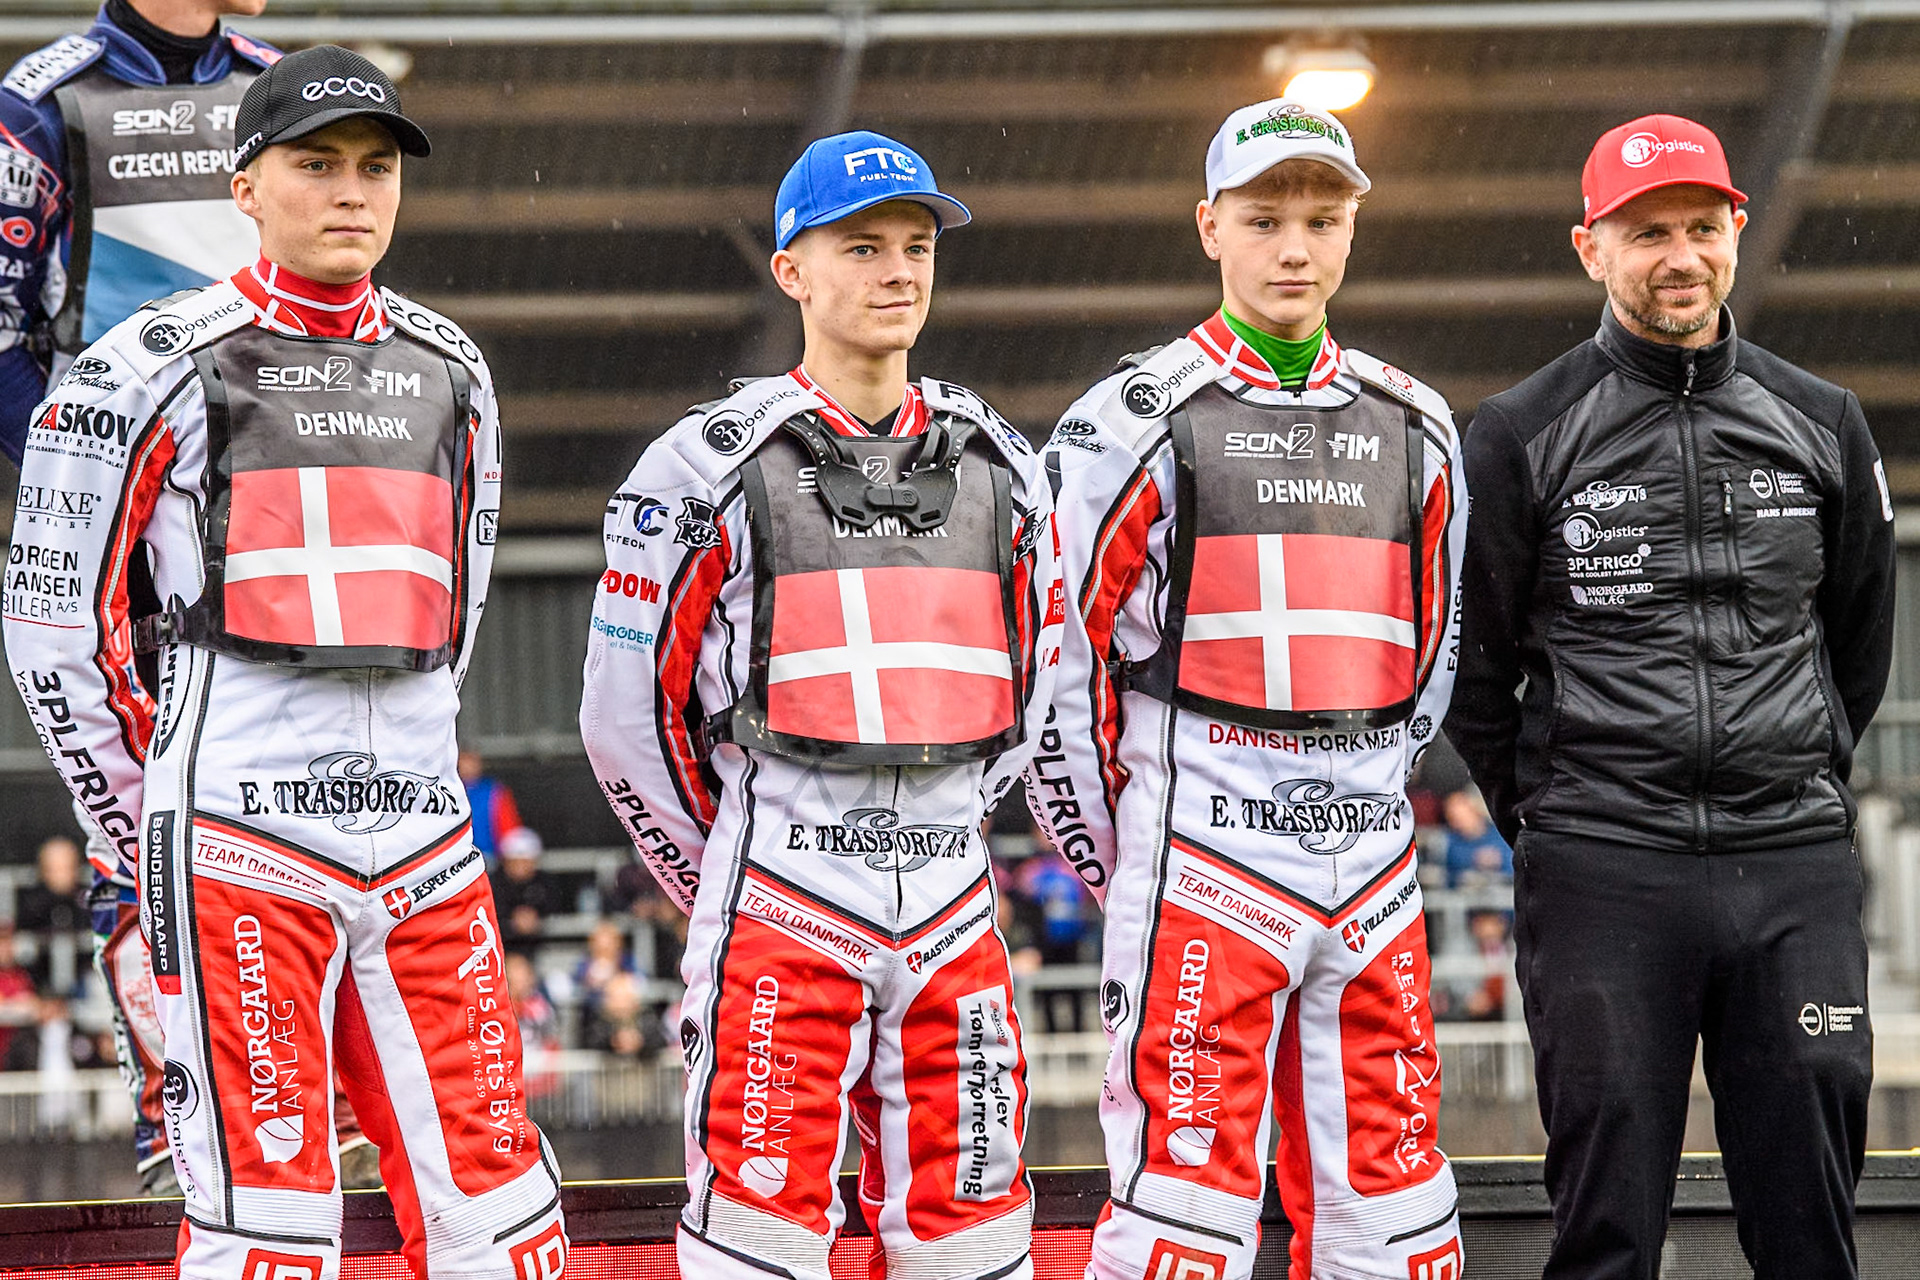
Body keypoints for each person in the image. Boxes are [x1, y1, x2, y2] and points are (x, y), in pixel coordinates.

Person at [3, 46, 567, 1280]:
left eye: (375, 166)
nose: (352, 190)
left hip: (424, 849)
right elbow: (53, 628)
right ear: (245, 186)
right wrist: (142, 817)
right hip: (234, 845)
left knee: (505, 1221)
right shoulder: (139, 363)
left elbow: (457, 614)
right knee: (267, 1227)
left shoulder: (455, 368)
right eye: (317, 164)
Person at [581, 128, 1061, 1280]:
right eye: (862, 246)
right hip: (779, 901)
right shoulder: (701, 464)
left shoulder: (1002, 459)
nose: (898, 271)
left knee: (978, 1240)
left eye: (915, 246)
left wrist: (939, 819)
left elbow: (1038, 683)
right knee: (756, 1239)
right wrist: (734, 868)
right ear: (790, 268)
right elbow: (624, 721)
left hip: (954, 901)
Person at [1444, 113, 1895, 1278]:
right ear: (1590, 246)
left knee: (1811, 1224)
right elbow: (1474, 672)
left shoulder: (1824, 420)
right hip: (1604, 870)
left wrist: (1793, 772)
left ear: (1737, 228)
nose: (1680, 256)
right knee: (1607, 1223)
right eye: (1647, 232)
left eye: (1702, 226)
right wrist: (1560, 814)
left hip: (1789, 860)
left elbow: (1858, 641)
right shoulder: (1518, 431)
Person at [1031, 98, 1467, 1280]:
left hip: (1371, 872)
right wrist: (1129, 852)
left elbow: (1432, 658)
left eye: (1322, 220)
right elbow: (1056, 668)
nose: (1295, 248)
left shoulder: (1419, 421)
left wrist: (1358, 791)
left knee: (1399, 1210)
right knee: (1180, 1212)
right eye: (1265, 219)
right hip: (1201, 864)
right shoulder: (1128, 419)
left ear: (1353, 230)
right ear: (1209, 226)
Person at [2, 0, 284, 1195]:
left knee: (286, 795)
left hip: (276, 507)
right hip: (120, 517)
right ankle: (182, 1112)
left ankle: (289, 1096)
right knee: (145, 808)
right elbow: (2, 330)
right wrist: (90, 471)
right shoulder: (42, 98)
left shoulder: (282, 81)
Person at [1, 0, 277, 460]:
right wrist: (67, 463)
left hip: (265, 450)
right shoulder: (39, 104)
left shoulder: (277, 86)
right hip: (108, 453)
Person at [459, 747, 522, 859]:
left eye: (472, 762)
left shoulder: (494, 791)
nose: (468, 767)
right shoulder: (449, 790)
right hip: (456, 853)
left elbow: (508, 825)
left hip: (488, 854)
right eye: (464, 762)